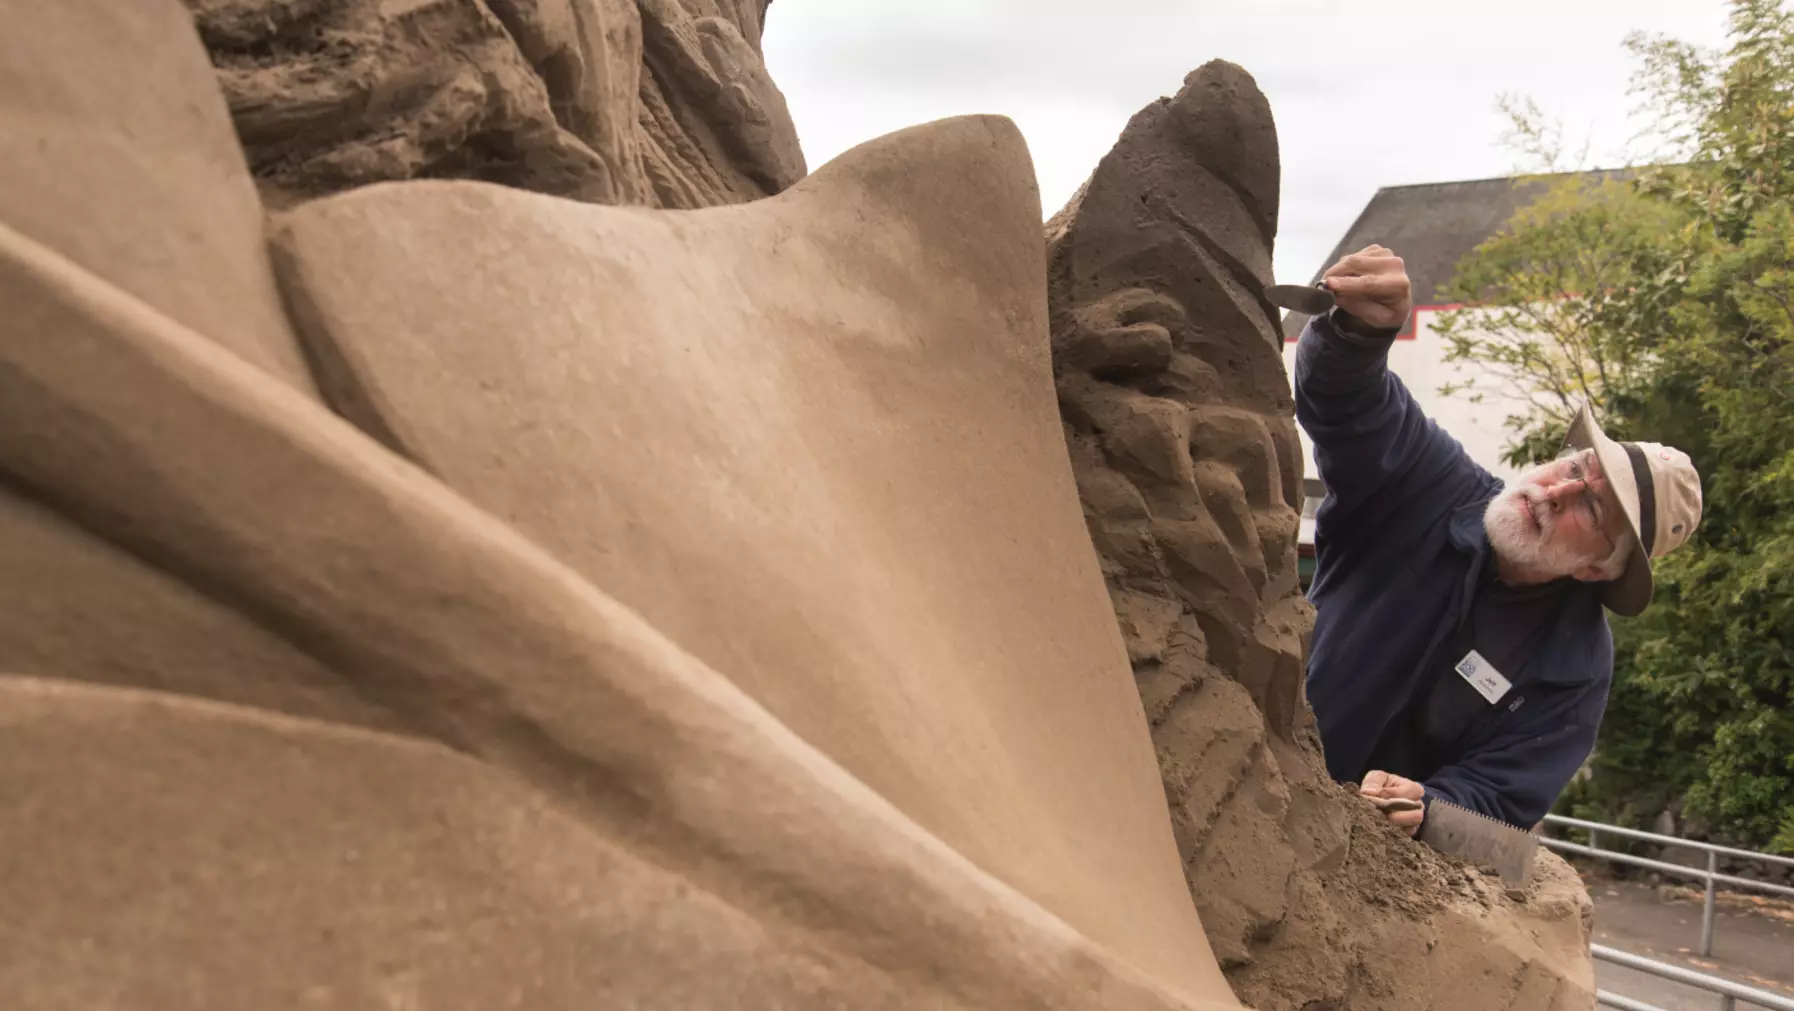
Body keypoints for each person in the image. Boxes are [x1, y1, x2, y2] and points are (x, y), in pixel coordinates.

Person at [1293, 245, 1704, 833]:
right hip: (1251, 760)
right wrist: (1358, 334)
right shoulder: (1433, 487)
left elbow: (1501, 798)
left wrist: (1427, 804)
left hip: (1350, 863)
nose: (1557, 490)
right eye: (1575, 466)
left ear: (1597, 569)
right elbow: (1348, 405)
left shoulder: (1574, 667)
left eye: (1591, 506)